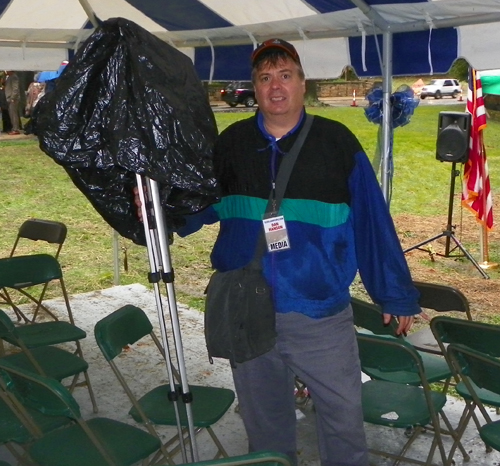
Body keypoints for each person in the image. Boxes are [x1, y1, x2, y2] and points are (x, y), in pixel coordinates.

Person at [135, 38, 421, 466]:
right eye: (265, 77)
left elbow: (372, 223)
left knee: (342, 417)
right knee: (264, 424)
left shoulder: (336, 143)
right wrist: (155, 209)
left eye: (285, 75)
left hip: (318, 313)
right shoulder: (230, 146)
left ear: (303, 83)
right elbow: (196, 206)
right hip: (247, 309)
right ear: (254, 86)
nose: (275, 87)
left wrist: (394, 294)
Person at [4, 70, 21, 135]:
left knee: (13, 114)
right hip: (9, 98)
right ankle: (14, 128)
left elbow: (15, 88)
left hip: (13, 99)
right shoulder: (9, 77)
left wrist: (13, 97)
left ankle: (15, 129)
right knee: (11, 114)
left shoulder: (14, 77)